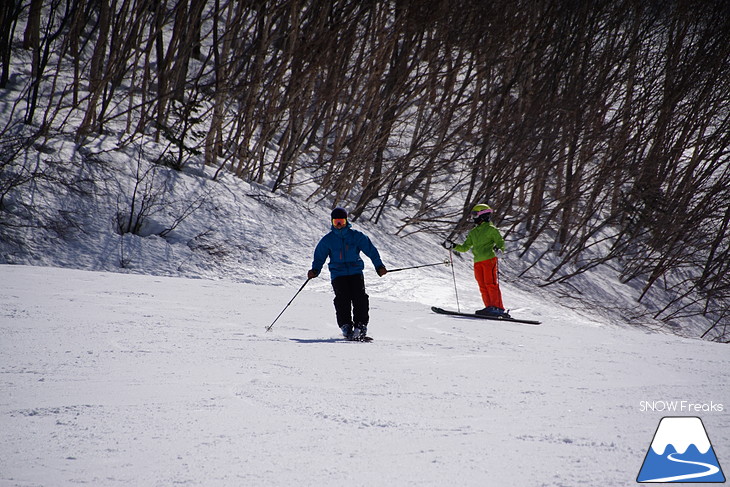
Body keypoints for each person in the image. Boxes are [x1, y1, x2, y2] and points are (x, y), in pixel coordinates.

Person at [308, 207, 387, 339]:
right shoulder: (328, 240)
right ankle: (346, 326)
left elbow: (371, 251)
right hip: (338, 274)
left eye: (342, 222)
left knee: (360, 298)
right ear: (332, 222)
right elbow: (319, 257)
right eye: (336, 222)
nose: (339, 225)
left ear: (346, 221)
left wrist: (379, 266)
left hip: (355, 272)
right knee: (342, 300)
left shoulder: (356, 236)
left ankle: (360, 325)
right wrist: (315, 270)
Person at [445, 203, 510, 318]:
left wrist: (500, 250)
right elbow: (465, 248)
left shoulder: (491, 230)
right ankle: (489, 307)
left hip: (489, 259)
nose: (473, 217)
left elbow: (500, 243)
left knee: (491, 284)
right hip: (477, 262)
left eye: (475, 214)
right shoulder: (473, 232)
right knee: (482, 285)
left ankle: (498, 308)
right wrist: (453, 246)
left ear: (483, 215)